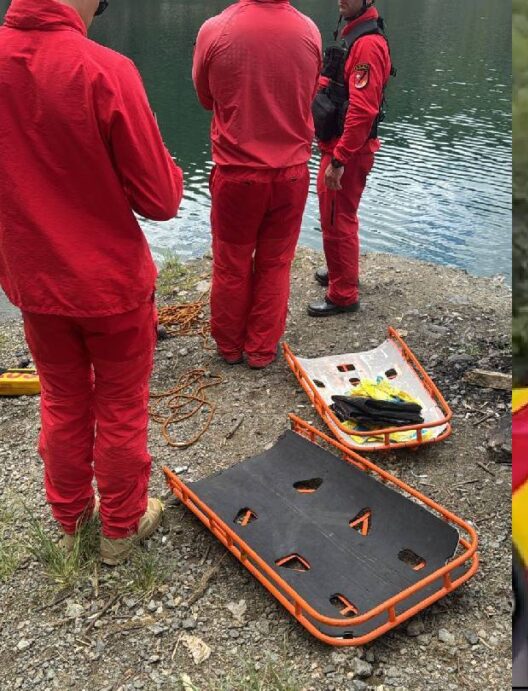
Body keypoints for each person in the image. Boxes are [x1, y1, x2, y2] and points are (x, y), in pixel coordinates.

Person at [0, 0, 183, 565]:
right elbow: (161, 199)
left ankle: (72, 522)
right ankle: (120, 532)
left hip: (35, 282)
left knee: (61, 400)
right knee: (121, 406)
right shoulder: (104, 69)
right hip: (111, 287)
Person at [193, 0, 322, 367]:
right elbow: (308, 94)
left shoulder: (215, 29)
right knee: (275, 264)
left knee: (232, 265)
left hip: (237, 175)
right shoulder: (309, 31)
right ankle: (261, 350)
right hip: (291, 175)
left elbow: (206, 98)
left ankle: (230, 347)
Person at [308, 0, 394, 317]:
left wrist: (339, 159)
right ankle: (340, 270)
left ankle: (343, 294)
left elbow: (362, 111)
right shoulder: (355, 36)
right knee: (338, 215)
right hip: (340, 146)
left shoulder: (367, 45)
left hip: (347, 151)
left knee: (337, 219)